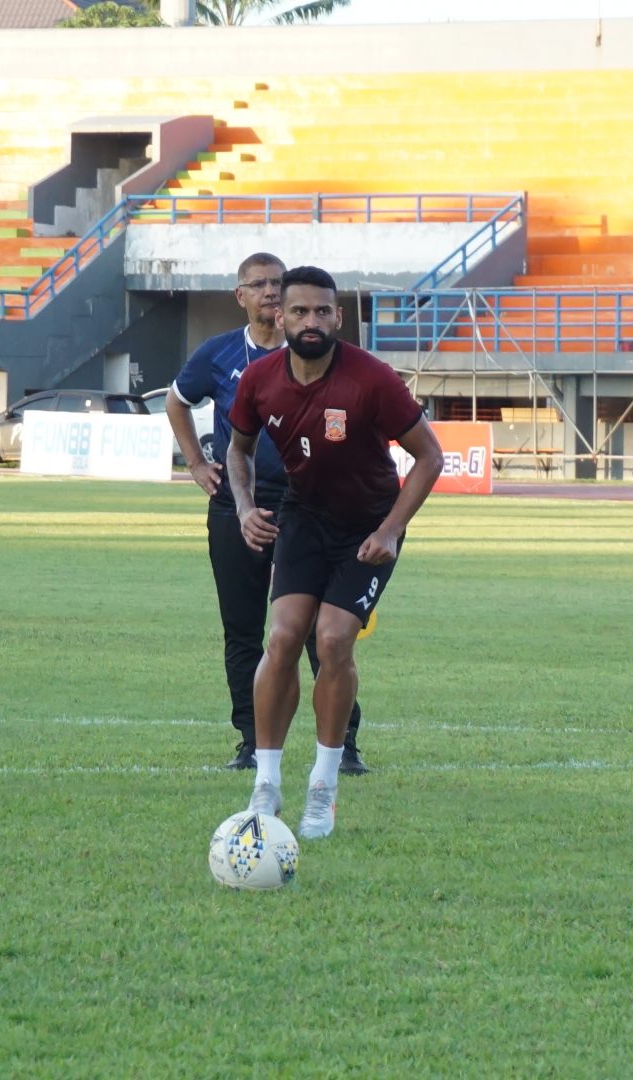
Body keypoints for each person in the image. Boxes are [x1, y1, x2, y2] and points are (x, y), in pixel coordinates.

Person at [225, 265, 444, 840]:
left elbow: (430, 457)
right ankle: (266, 785)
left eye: (323, 311)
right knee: (281, 637)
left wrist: (394, 529)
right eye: (299, 311)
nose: (311, 321)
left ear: (338, 317)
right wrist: (245, 508)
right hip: (303, 518)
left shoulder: (372, 379)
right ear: (279, 315)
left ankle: (323, 784)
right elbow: (238, 451)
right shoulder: (260, 380)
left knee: (333, 638)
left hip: (369, 529)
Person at [165, 253, 369, 775]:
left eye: (278, 284)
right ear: (241, 296)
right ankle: (252, 741)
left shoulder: (319, 354)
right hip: (237, 507)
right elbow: (177, 401)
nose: (271, 293)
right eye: (258, 285)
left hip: (310, 508)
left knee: (316, 630)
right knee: (243, 629)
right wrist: (194, 462)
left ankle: (342, 742)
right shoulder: (219, 354)